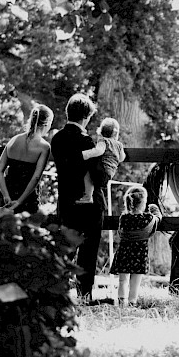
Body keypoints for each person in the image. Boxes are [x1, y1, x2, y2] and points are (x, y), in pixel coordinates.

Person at [51, 93, 107, 302]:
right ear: (86, 117)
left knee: (65, 247)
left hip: (66, 200)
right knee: (88, 250)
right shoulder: (86, 141)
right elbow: (98, 176)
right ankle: (84, 295)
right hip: (90, 206)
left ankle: (59, 292)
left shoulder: (57, 138)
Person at [0, 104, 54, 214]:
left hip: (8, 194)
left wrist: (6, 196)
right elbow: (35, 177)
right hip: (27, 198)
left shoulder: (13, 140)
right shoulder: (44, 147)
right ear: (47, 123)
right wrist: (20, 201)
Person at [111, 186, 161, 306]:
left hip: (124, 253)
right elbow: (158, 218)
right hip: (139, 254)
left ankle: (121, 304)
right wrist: (154, 208)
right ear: (144, 202)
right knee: (135, 282)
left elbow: (120, 232)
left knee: (122, 281)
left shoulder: (124, 218)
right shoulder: (148, 218)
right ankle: (132, 303)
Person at [77, 117, 126, 204]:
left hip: (101, 172)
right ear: (116, 133)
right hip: (108, 175)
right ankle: (88, 196)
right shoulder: (119, 145)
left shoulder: (103, 141)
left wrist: (84, 154)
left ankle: (88, 196)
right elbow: (122, 158)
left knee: (86, 169)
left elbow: (98, 151)